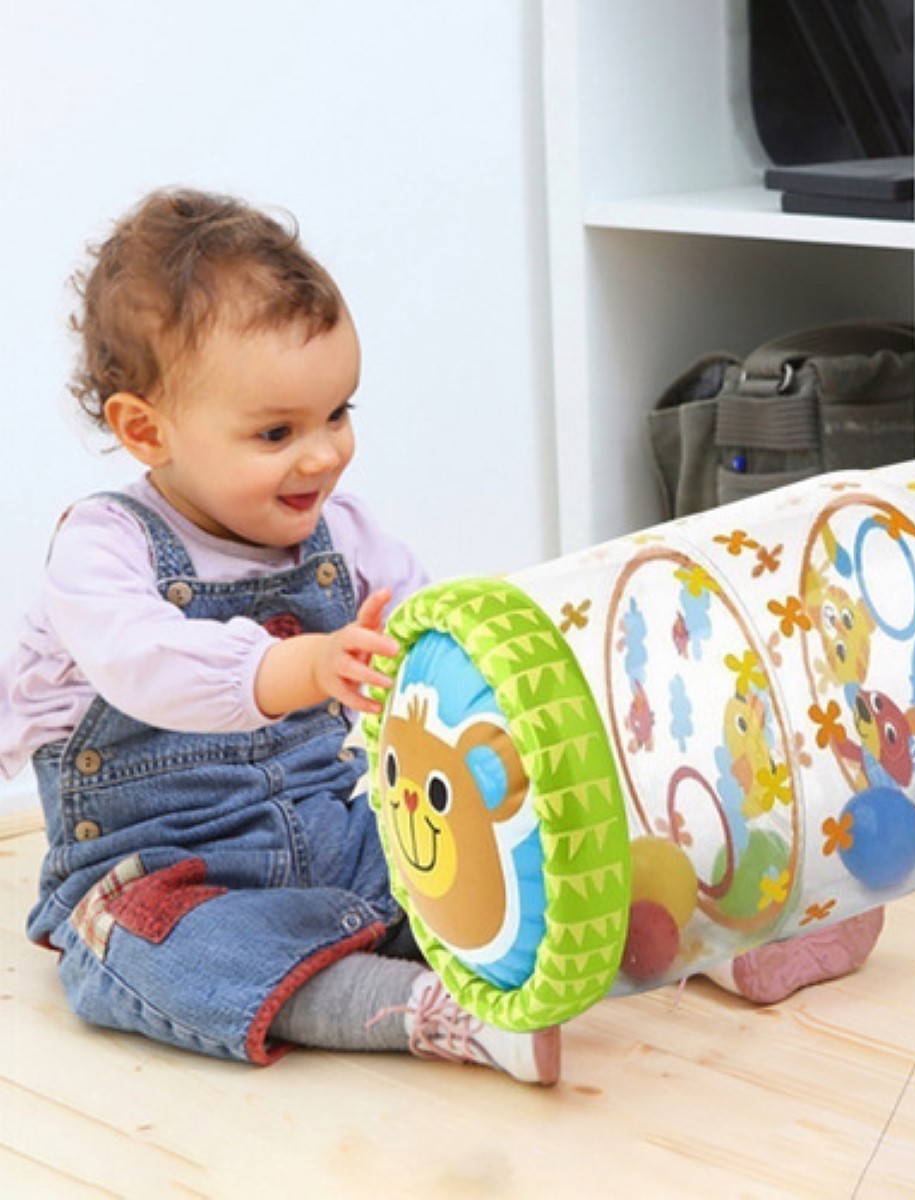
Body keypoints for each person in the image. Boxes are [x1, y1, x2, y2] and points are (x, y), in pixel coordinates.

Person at [0, 188, 559, 1084]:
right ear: (147, 430)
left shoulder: (347, 537)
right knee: (141, 949)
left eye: (339, 414)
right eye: (276, 432)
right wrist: (298, 665)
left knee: (487, 851)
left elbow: (433, 639)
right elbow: (146, 667)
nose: (324, 454)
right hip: (166, 867)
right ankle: (415, 1009)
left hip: (343, 830)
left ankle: (666, 933)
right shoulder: (102, 547)